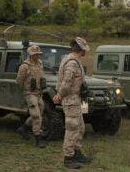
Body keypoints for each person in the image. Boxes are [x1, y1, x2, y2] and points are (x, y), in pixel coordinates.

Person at [52, 37, 92, 169]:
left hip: (76, 98)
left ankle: (76, 152)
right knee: (72, 127)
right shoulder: (72, 63)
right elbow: (67, 82)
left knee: (80, 127)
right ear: (82, 50)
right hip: (70, 99)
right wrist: (59, 95)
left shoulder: (74, 60)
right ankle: (68, 157)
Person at [16, 45, 47, 148]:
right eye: (35, 54)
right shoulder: (24, 66)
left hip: (39, 93)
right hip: (30, 93)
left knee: (39, 113)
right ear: (30, 54)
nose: (37, 56)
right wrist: (26, 92)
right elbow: (19, 81)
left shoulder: (40, 64)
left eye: (38, 54)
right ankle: (38, 138)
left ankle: (24, 128)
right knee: (36, 116)